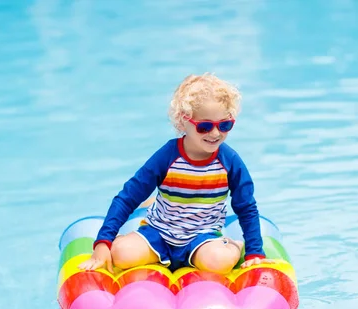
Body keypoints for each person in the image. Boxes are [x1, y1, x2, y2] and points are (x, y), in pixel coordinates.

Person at [78, 73, 275, 275]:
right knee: (120, 254)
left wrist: (254, 252)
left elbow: (246, 206)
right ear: (183, 122)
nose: (215, 134)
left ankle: (234, 245)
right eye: (204, 126)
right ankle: (151, 208)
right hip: (159, 232)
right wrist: (103, 242)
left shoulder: (230, 162)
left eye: (224, 125)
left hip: (203, 236)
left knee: (218, 261)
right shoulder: (167, 157)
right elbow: (128, 197)